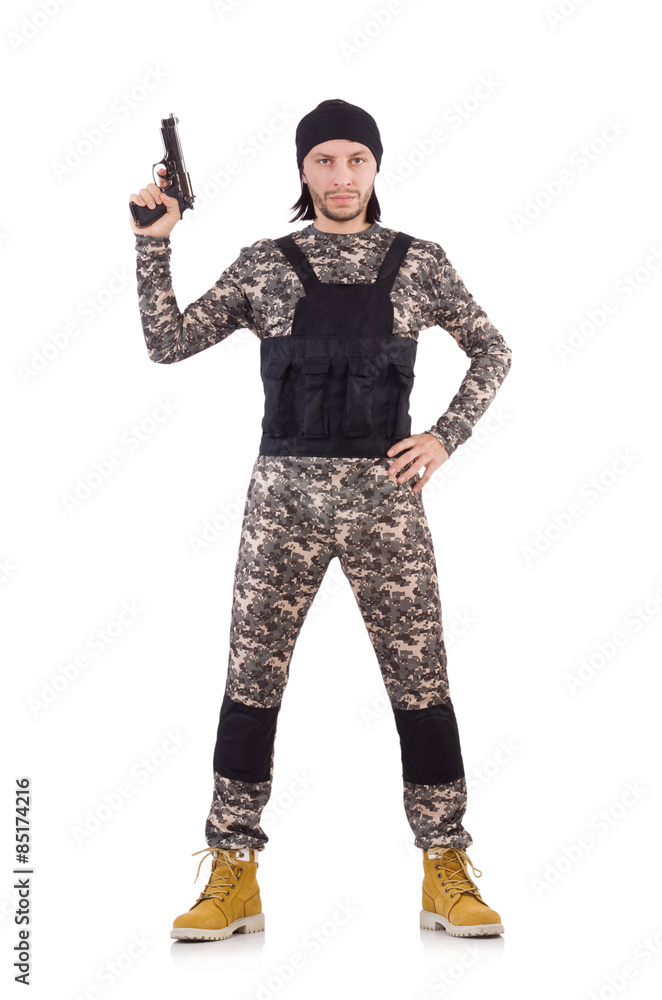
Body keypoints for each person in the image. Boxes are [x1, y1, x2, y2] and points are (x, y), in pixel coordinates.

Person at [129, 98, 512, 942]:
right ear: (302, 171)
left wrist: (445, 436)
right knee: (251, 685)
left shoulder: (419, 262)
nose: (341, 177)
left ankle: (444, 864)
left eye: (357, 161)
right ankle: (233, 871)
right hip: (283, 509)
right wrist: (154, 245)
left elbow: (494, 348)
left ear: (376, 168)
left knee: (423, 688)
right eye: (325, 161)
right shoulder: (267, 264)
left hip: (387, 510)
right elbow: (167, 342)